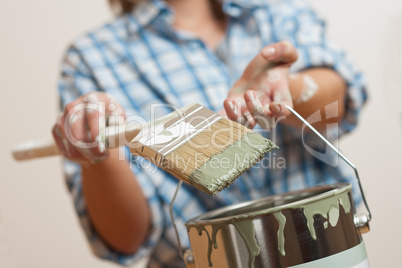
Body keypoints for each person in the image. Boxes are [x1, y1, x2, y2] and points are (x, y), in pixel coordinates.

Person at [53, 0, 367, 266]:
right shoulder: (91, 58)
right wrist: (94, 150)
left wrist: (287, 89)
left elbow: (339, 98)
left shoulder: (274, 9)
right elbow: (125, 239)